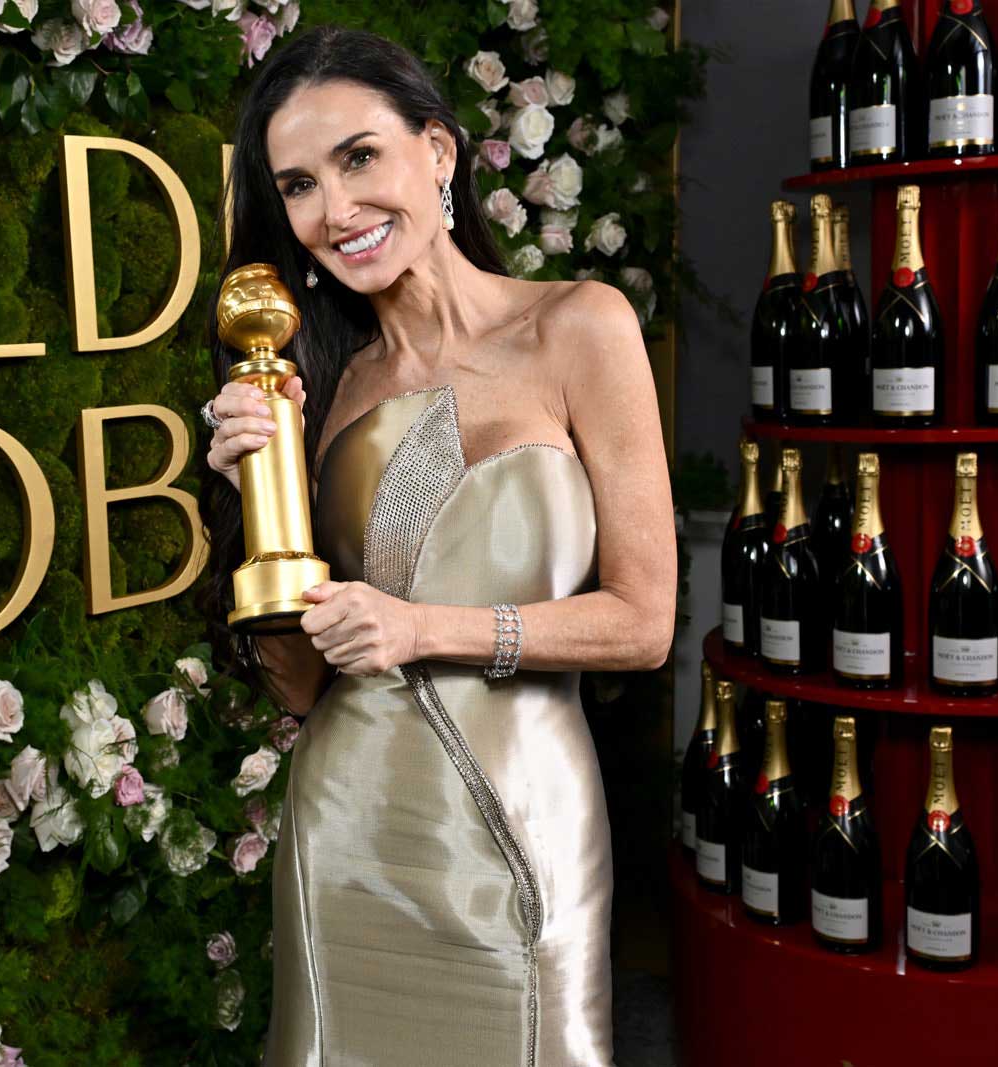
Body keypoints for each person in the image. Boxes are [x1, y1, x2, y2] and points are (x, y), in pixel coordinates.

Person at [195, 24, 676, 1067]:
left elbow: (642, 624)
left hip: (521, 823)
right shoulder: (317, 397)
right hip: (347, 831)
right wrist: (253, 500)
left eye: (359, 156)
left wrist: (421, 627)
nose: (336, 208)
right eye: (298, 184)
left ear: (439, 152)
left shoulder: (576, 328)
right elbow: (297, 686)